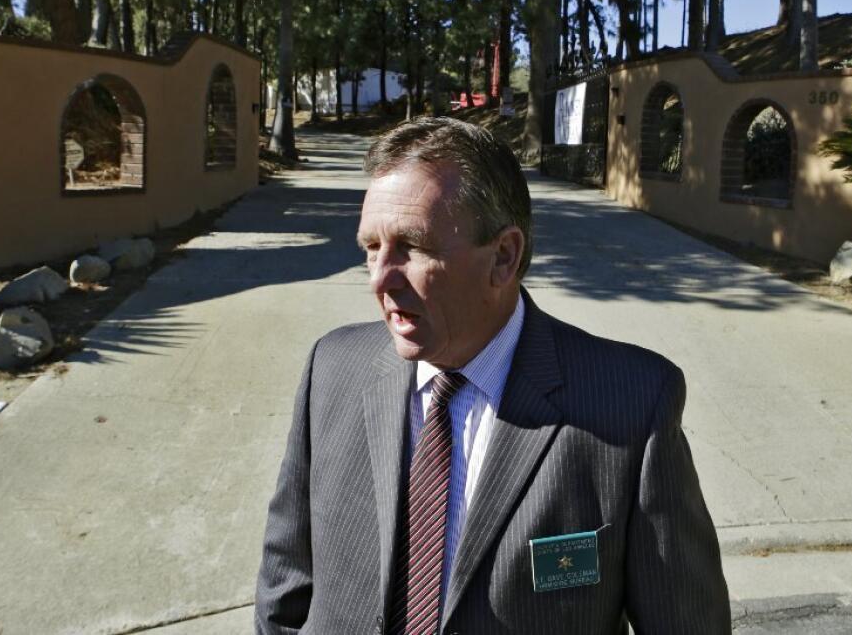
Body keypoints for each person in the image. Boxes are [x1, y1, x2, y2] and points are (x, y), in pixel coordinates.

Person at [255, 118, 729, 634]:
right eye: (371, 248)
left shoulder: (632, 405)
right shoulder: (332, 368)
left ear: (504, 256)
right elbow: (285, 590)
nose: (380, 279)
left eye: (413, 247)